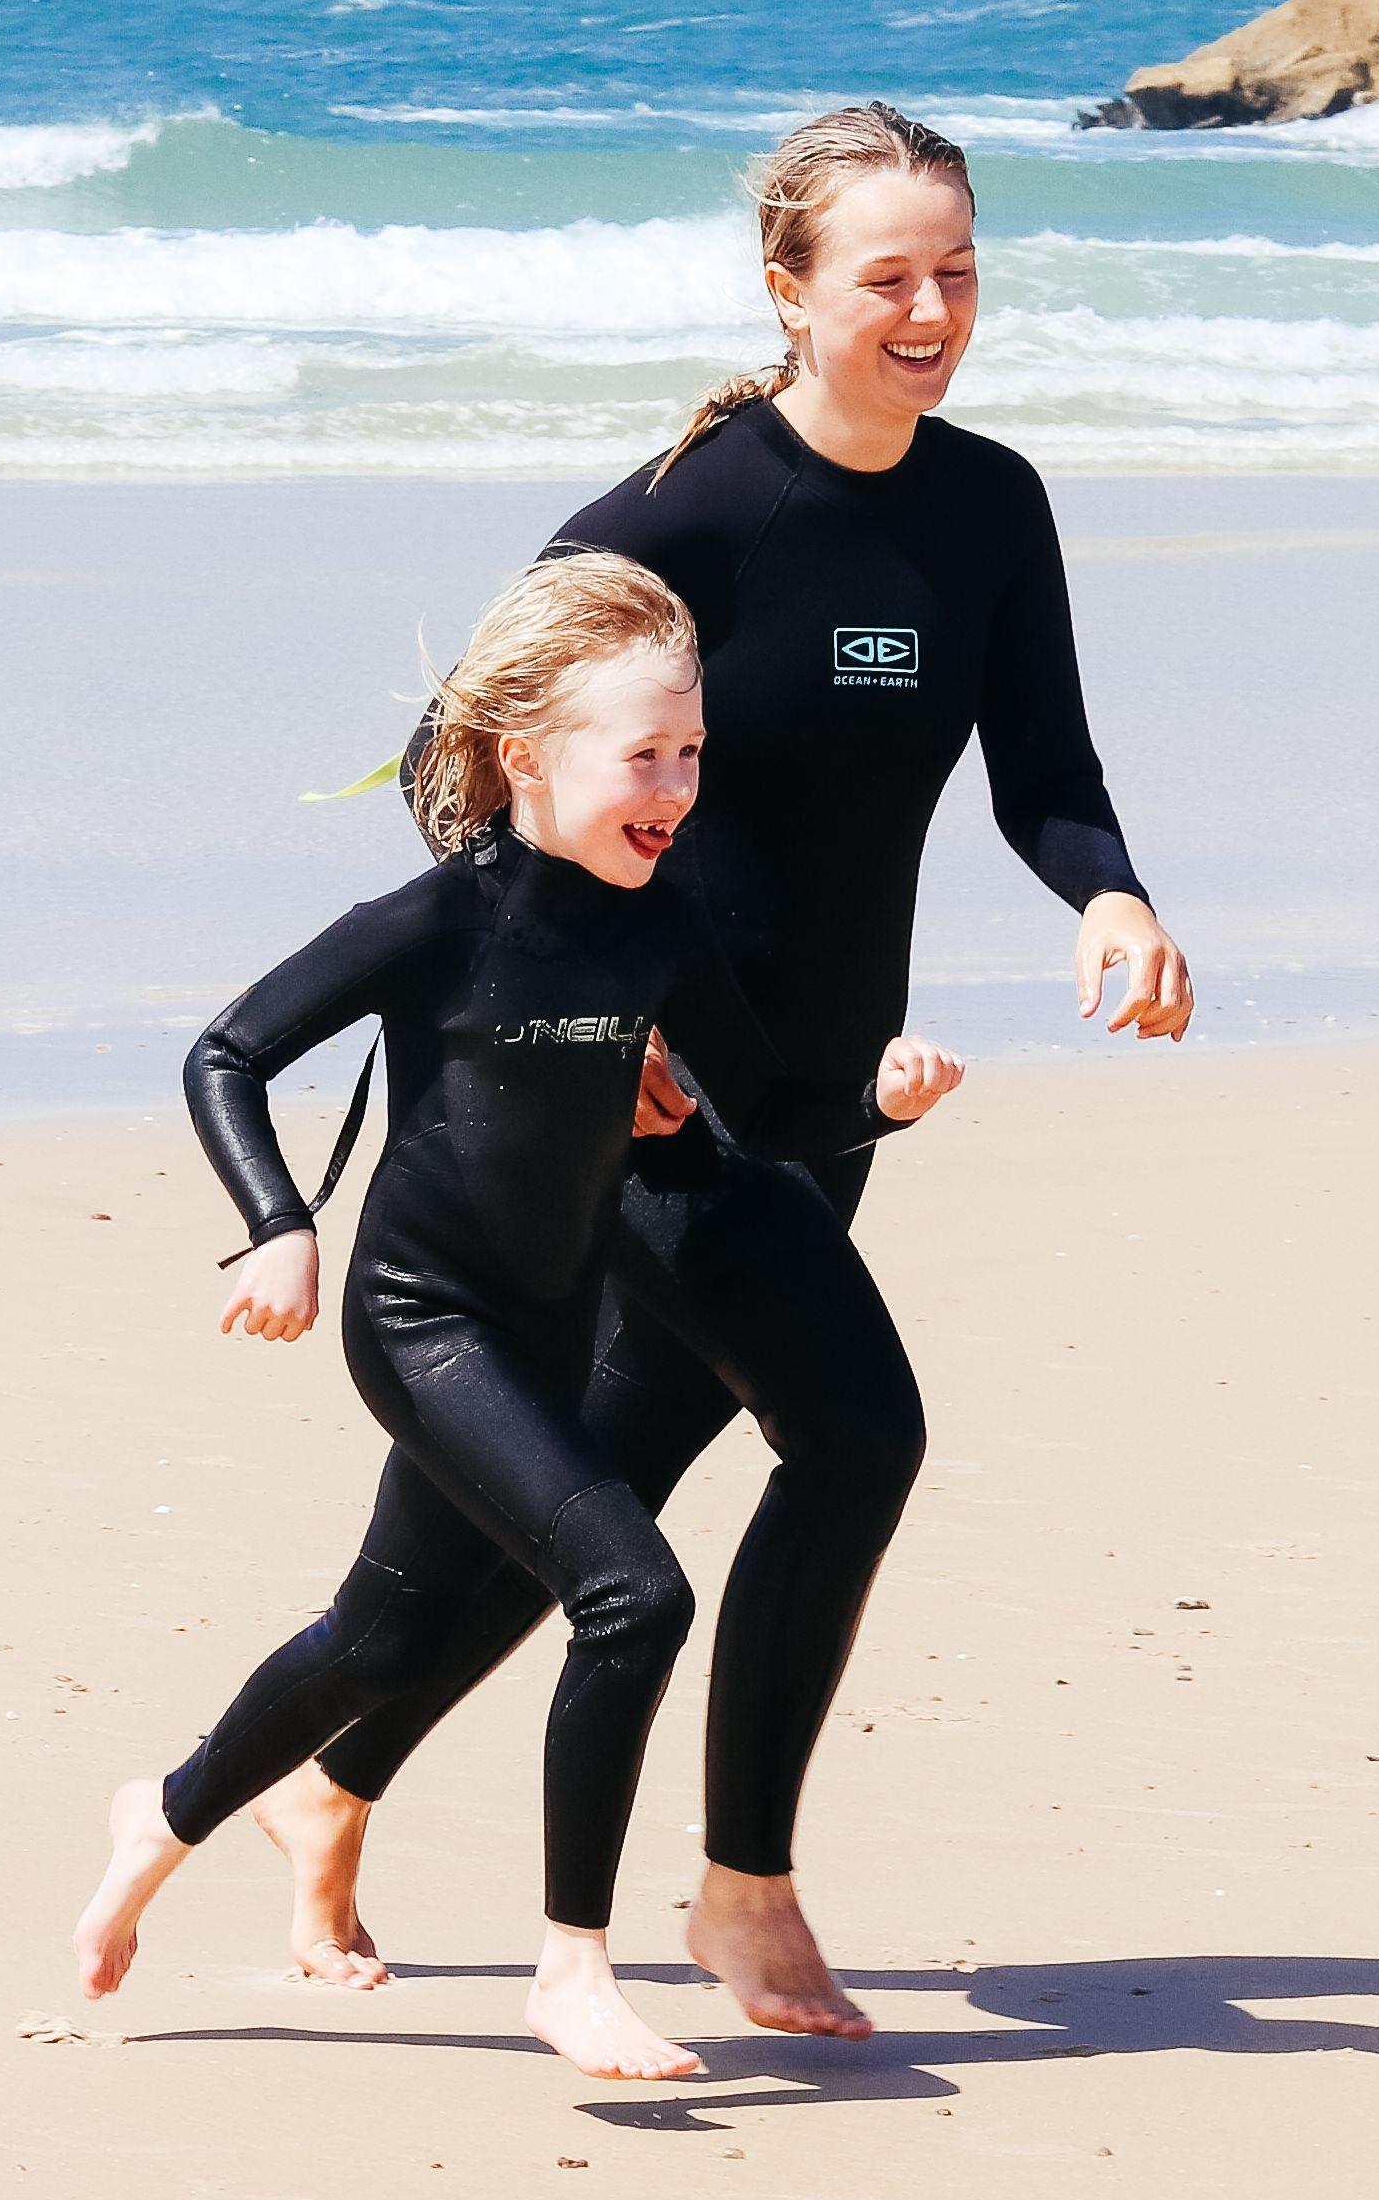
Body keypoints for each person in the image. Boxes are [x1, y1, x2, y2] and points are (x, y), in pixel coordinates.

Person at [247, 101, 1194, 2039]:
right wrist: (578, 1033)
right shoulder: (675, 522)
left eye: (957, 270)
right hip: (651, 1103)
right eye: (887, 277)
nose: (931, 309)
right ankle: (738, 1897)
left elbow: (1048, 776)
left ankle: (321, 1786)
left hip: (809, 1098)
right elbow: (467, 768)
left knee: (574, 1492)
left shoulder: (988, 506)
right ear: (787, 287)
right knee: (835, 1441)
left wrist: (1109, 903)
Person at [69, 549, 964, 2081]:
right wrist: (278, 1231)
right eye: (643, 755)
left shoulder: (656, 914)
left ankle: (157, 1818)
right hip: (422, 1322)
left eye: (692, 752)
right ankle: (572, 1968)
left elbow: (765, 1105)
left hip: (543, 1322)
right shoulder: (433, 924)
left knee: (376, 1638)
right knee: (637, 1593)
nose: (677, 787)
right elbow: (226, 1051)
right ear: (523, 756)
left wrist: (880, 1102)